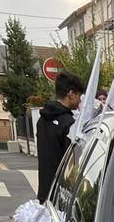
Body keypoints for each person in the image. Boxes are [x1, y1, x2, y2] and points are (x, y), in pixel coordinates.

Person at [36, 71, 84, 203]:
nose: (80, 100)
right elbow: (72, 163)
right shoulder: (69, 124)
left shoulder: (42, 120)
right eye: (79, 95)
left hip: (44, 190)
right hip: (61, 195)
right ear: (71, 94)